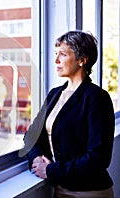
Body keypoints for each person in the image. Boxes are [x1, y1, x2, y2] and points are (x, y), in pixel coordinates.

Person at [22, 30, 115, 197]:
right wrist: (36, 159)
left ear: (82, 60)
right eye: (56, 54)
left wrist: (51, 170)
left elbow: (98, 158)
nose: (56, 60)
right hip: (60, 190)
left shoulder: (97, 98)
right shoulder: (55, 94)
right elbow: (31, 135)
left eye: (63, 55)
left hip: (90, 192)